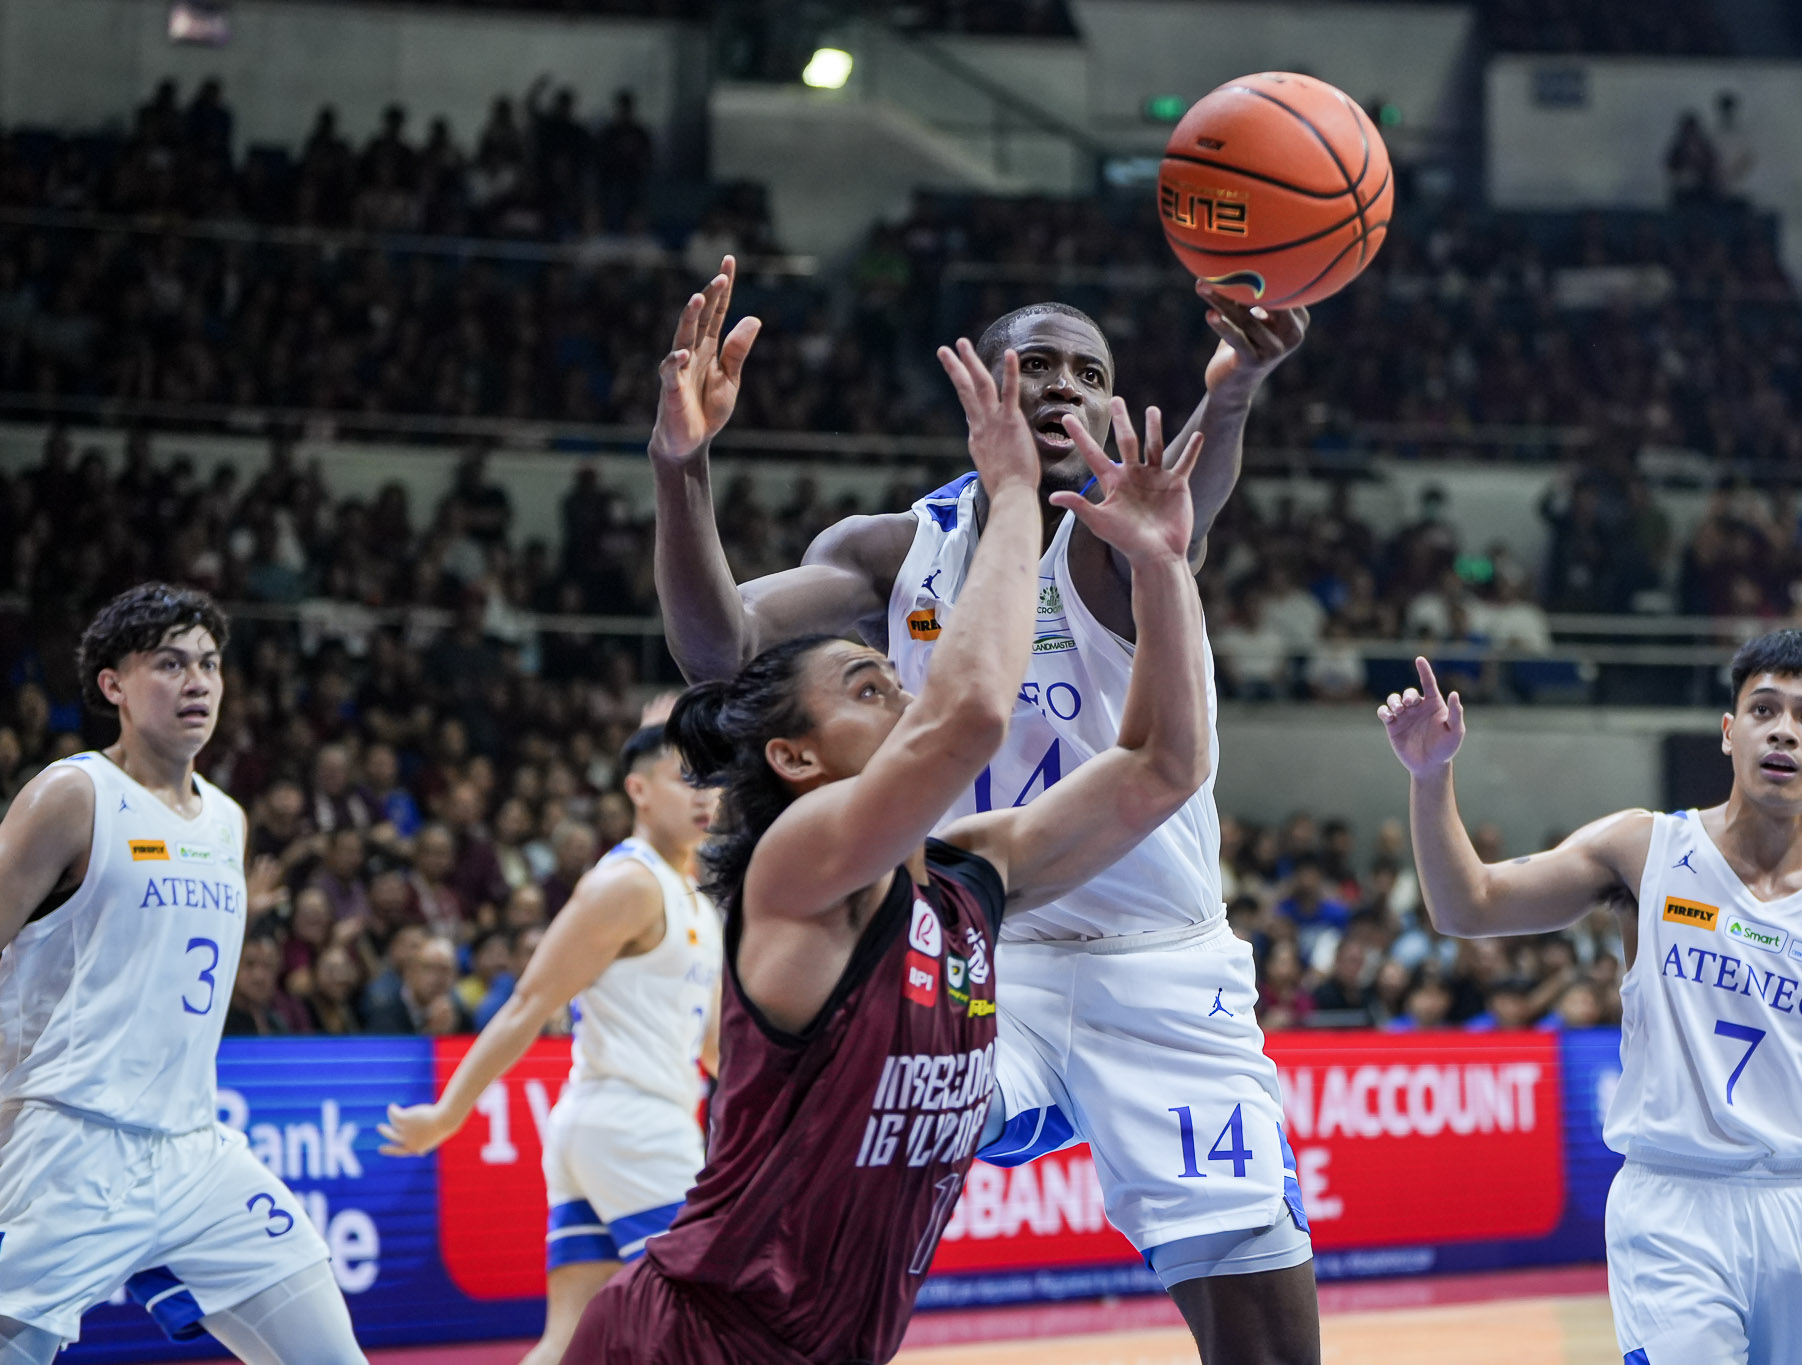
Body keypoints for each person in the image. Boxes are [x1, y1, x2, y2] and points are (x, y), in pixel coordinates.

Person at [647, 257, 1320, 1359]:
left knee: (1262, 1337)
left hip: (1157, 961)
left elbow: (1179, 525)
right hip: (982, 947)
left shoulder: (1123, 535)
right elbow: (719, 648)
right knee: (840, 1163)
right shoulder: (889, 551)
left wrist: (1233, 389)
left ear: (1114, 408)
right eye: (1038, 364)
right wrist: (681, 470)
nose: (1063, 387)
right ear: (983, 386)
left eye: (1089, 373)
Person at [563, 336, 1211, 1363]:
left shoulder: (961, 882)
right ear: (794, 757)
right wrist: (1007, 494)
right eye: (868, 689)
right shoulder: (802, 865)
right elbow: (964, 717)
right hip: (690, 1342)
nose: (902, 692)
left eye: (895, 679)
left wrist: (1166, 568)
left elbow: (1164, 769)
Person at [1378, 629, 1802, 1365]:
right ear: (1728, 731)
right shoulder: (1643, 849)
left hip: (1801, 1209)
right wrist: (1430, 778)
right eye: (1763, 709)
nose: (1783, 729)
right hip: (1670, 1206)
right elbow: (1470, 906)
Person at [0, 584, 368, 1364]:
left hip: (196, 1149)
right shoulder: (73, 795)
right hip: (70, 1144)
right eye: (169, 662)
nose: (197, 681)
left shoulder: (228, 819)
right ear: (114, 685)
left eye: (208, 662)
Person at [378, 725, 722, 1365]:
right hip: (630, 1124)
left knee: (568, 1342)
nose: (704, 794)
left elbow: (714, 1051)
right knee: (715, 1316)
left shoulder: (696, 901)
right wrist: (448, 1114)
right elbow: (529, 1003)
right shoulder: (627, 884)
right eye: (685, 777)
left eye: (710, 778)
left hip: (612, 1126)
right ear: (637, 790)